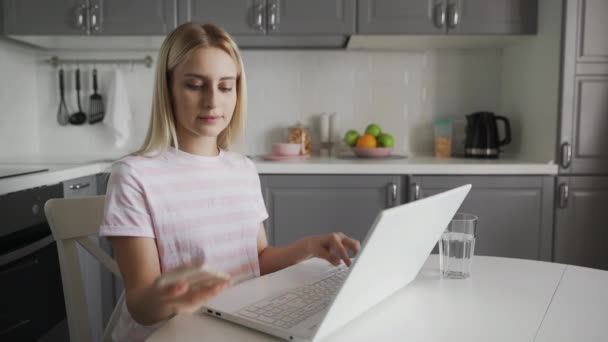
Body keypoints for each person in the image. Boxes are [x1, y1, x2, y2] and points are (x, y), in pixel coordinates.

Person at [99, 22, 361, 341]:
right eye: (195, 85)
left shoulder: (242, 169)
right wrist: (176, 294)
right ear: (167, 89)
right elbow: (140, 306)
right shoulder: (134, 175)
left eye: (225, 86)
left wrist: (308, 247)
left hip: (236, 326)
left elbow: (257, 260)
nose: (212, 101)